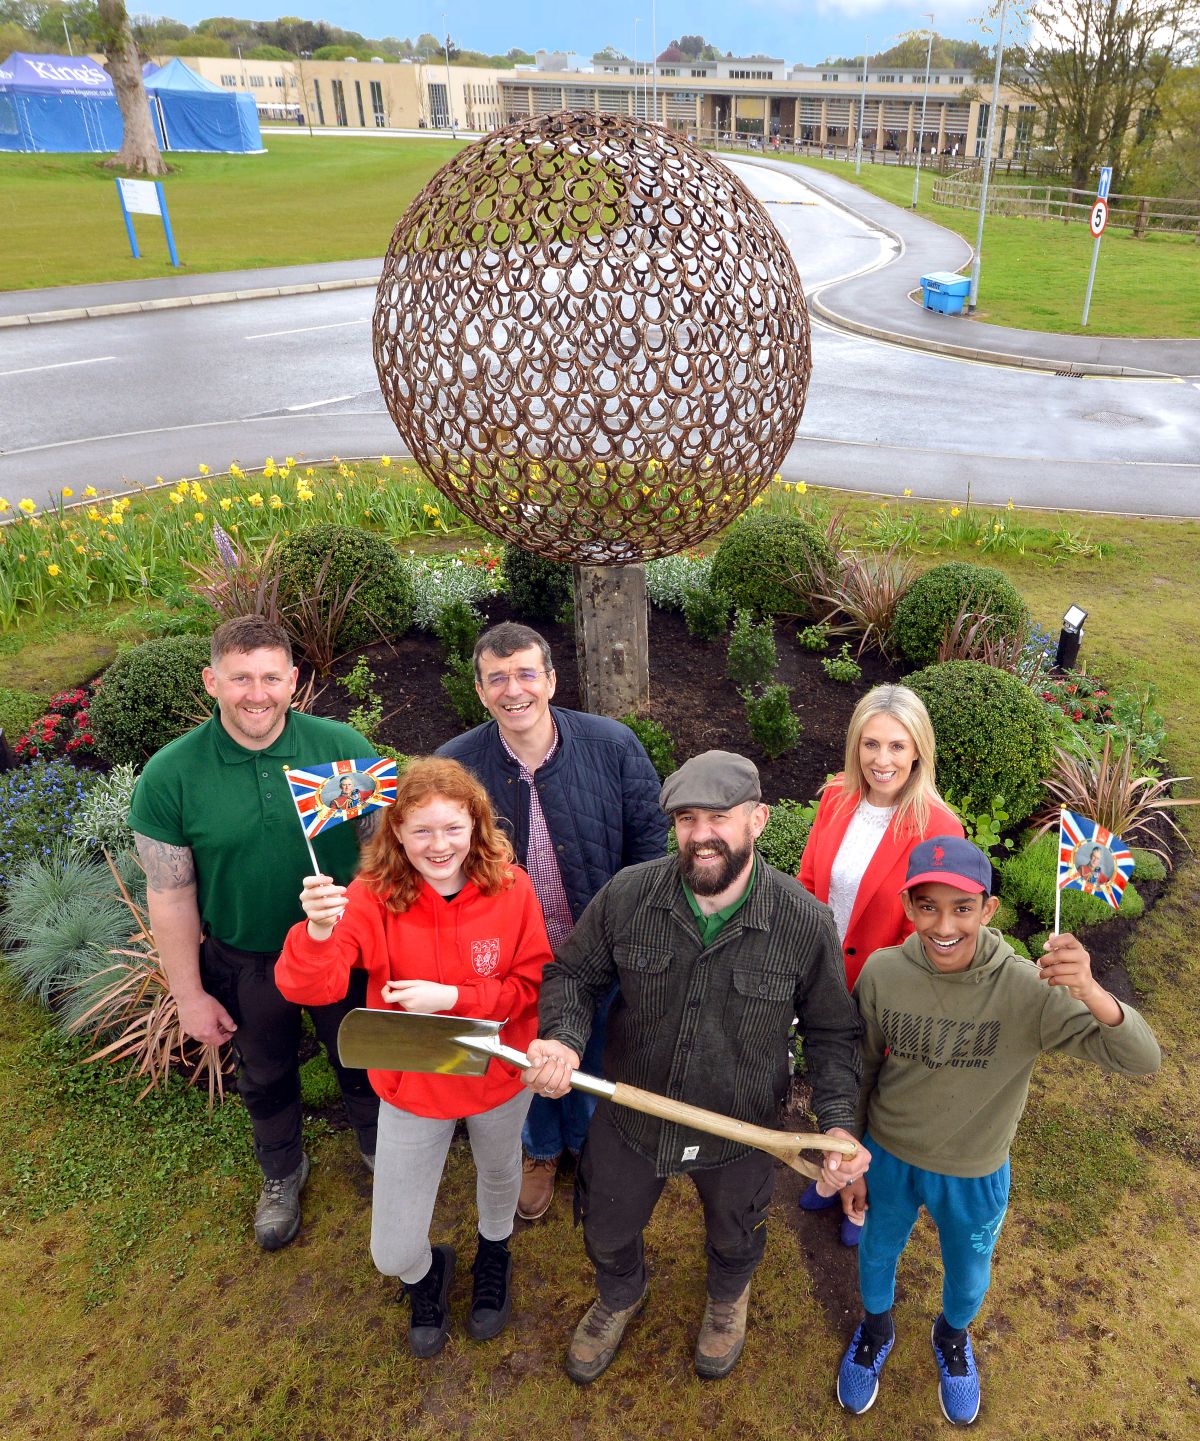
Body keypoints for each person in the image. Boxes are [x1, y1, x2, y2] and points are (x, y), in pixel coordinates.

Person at [522, 750, 867, 1383]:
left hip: (743, 1129)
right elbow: (571, 974)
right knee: (604, 1226)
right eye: (685, 819)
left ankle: (727, 1300)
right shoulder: (630, 895)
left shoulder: (802, 921)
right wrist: (564, 1039)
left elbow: (832, 1033)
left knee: (737, 1235)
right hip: (634, 1115)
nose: (700, 835)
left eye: (717, 817)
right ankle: (621, 1294)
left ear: (758, 819)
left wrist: (838, 1123)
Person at [834, 836, 1160, 1425]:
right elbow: (863, 1070)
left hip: (974, 1169)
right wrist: (852, 1152)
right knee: (877, 1255)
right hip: (888, 1157)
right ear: (908, 906)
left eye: (962, 907)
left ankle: (953, 1338)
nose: (943, 924)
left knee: (968, 1274)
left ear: (989, 910)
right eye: (927, 905)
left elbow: (1141, 1059)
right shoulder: (883, 973)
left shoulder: (1031, 991)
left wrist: (1088, 990)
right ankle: (876, 1326)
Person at [276, 757, 551, 1358]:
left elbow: (530, 988)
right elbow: (309, 988)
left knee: (500, 1172)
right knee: (392, 1249)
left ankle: (495, 1249)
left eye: (453, 827)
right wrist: (318, 934)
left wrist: (452, 998)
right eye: (421, 830)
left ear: (477, 825)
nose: (439, 845)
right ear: (395, 832)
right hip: (414, 1081)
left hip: (496, 1071)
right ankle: (425, 1273)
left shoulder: (512, 888)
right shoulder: (370, 897)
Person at [128, 615, 380, 1252]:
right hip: (247, 958)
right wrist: (188, 994)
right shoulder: (170, 775)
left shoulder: (340, 746)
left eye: (271, 677)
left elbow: (388, 855)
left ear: (294, 681)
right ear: (212, 681)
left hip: (343, 952)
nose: (257, 693)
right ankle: (281, 1172)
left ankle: (384, 1151)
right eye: (240, 678)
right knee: (264, 1073)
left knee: (362, 1058)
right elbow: (170, 891)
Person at [437, 621, 667, 1222]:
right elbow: (434, 856)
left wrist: (634, 924)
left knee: (591, 1054)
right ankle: (540, 1151)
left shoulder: (611, 745)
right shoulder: (456, 765)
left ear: (551, 680)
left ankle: (592, 1152)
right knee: (522, 1054)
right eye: (498, 679)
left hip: (597, 945)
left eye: (525, 674)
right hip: (508, 955)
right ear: (482, 690)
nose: (514, 690)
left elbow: (648, 838)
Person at [798, 685, 964, 1244]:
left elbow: (933, 928)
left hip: (886, 989)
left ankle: (861, 1198)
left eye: (897, 746)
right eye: (870, 744)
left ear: (918, 750)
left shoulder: (939, 828)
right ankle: (834, 1171)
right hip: (823, 975)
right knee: (832, 1082)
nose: (882, 760)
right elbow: (809, 885)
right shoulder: (835, 798)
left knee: (872, 1093)